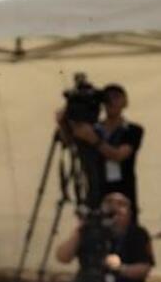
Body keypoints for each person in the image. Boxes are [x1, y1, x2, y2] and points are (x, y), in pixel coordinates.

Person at [61, 83, 145, 212]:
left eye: (116, 97)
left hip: (123, 191)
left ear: (125, 102)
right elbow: (70, 144)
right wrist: (64, 124)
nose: (112, 102)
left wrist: (93, 139)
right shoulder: (94, 129)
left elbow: (119, 155)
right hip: (96, 191)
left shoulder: (133, 130)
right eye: (108, 98)